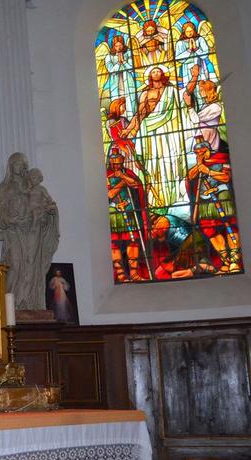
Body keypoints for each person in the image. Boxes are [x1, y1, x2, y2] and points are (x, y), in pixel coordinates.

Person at [0, 153, 59, 310]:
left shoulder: (32, 186)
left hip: (31, 230)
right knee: (15, 265)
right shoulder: (4, 188)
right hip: (14, 232)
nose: (19, 166)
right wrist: (11, 219)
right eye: (16, 163)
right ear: (11, 166)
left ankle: (30, 302)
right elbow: (0, 210)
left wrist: (46, 214)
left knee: (31, 264)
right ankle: (10, 305)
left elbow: (44, 205)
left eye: (22, 163)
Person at [121, 66, 185, 207]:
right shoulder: (145, 93)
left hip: (168, 130)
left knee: (169, 162)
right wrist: (128, 129)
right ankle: (154, 201)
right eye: (153, 72)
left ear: (163, 74)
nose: (156, 73)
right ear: (150, 76)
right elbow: (140, 114)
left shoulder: (171, 90)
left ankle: (173, 198)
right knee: (152, 163)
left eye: (158, 71)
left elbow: (180, 110)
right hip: (149, 130)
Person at [186, 136, 242, 272]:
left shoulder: (220, 160)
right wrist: (199, 167)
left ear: (208, 150)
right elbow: (189, 177)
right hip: (206, 200)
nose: (200, 155)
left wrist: (209, 171)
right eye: (197, 153)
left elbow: (226, 177)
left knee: (230, 224)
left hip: (222, 195)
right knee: (209, 229)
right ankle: (225, 260)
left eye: (202, 152)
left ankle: (235, 260)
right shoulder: (198, 166)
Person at [106, 148, 149, 282]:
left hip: (129, 211)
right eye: (114, 163)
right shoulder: (105, 175)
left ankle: (134, 274)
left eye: (119, 163)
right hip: (114, 213)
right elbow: (110, 194)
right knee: (115, 243)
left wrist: (124, 177)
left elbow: (136, 185)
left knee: (133, 240)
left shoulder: (127, 173)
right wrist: (122, 182)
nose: (116, 166)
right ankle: (121, 275)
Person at [184, 79, 225, 154]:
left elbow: (196, 119)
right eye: (200, 90)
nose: (200, 92)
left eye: (202, 90)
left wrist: (189, 106)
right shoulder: (206, 105)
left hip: (209, 137)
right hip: (202, 135)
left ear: (209, 90)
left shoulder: (216, 107)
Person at [174, 22, 215, 91]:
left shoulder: (200, 39)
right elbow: (178, 59)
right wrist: (189, 50)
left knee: (202, 86)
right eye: (187, 31)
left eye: (191, 31)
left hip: (200, 67)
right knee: (190, 88)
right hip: (186, 69)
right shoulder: (180, 43)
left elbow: (205, 55)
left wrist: (196, 49)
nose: (189, 33)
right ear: (184, 32)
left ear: (194, 30)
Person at [103, 35, 137, 116]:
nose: (118, 48)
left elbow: (131, 67)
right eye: (116, 46)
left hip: (128, 80)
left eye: (120, 45)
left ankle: (132, 118)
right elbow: (111, 70)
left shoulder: (128, 53)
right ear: (113, 46)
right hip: (115, 82)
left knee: (130, 100)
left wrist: (124, 61)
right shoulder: (109, 56)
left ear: (123, 45)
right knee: (117, 102)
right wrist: (118, 63)